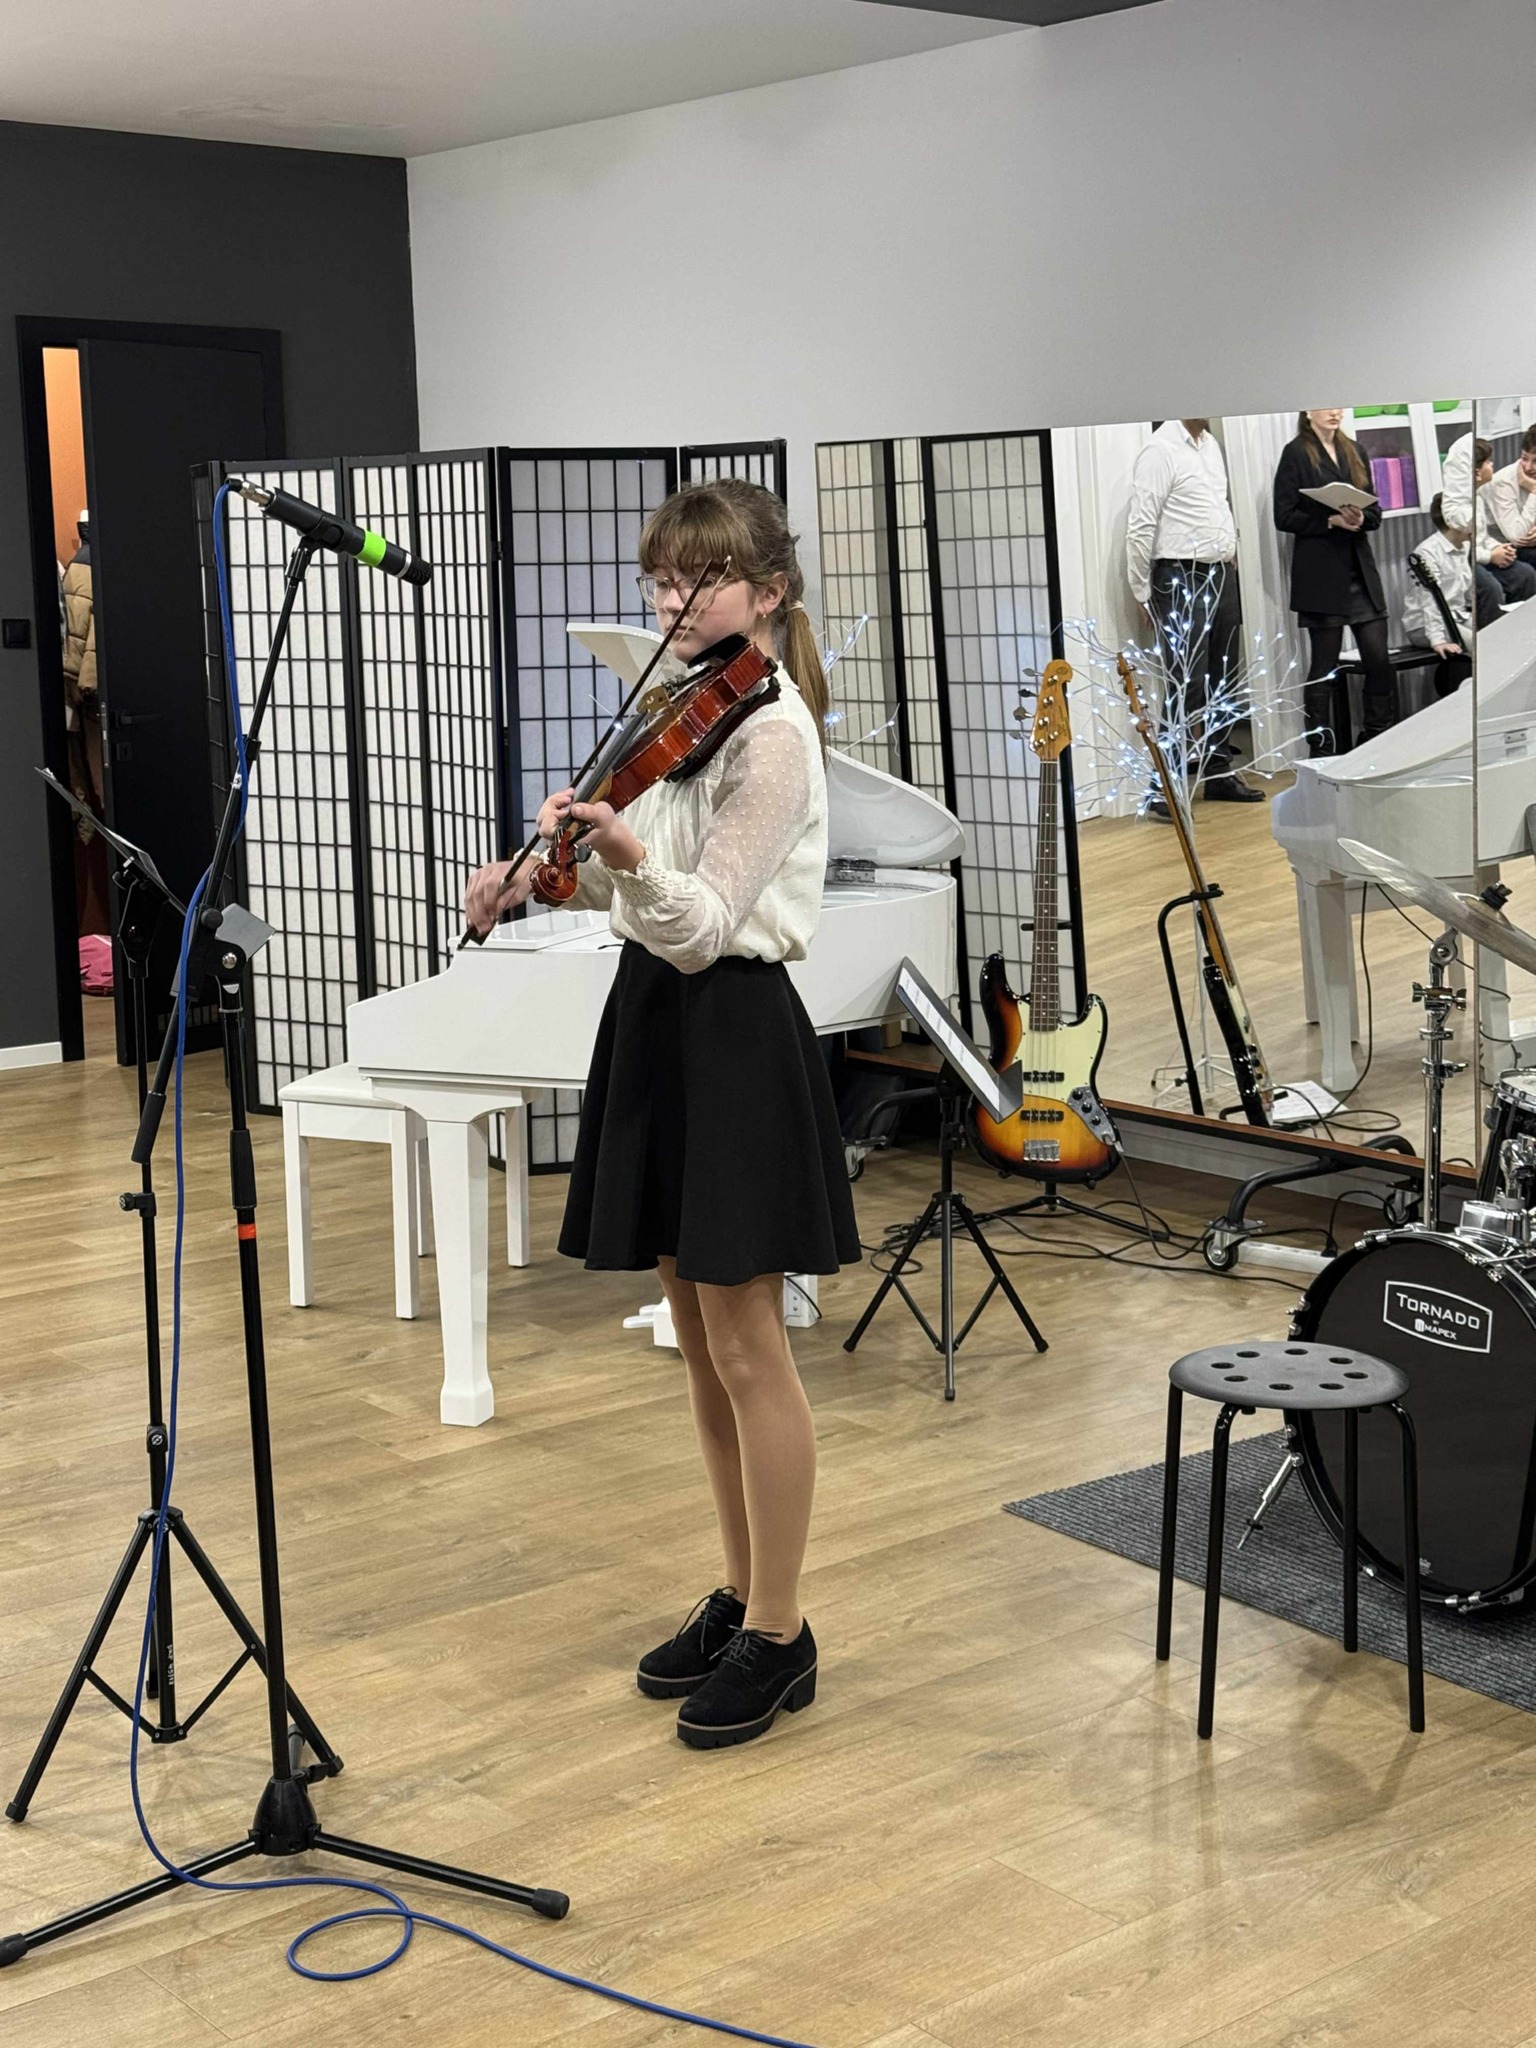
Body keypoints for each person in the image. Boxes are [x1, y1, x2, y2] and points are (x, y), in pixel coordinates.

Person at [464, 479, 859, 1751]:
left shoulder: (774, 734)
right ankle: (740, 1592)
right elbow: (628, 903)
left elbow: (704, 921)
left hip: (731, 1029)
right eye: (661, 577)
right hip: (657, 1022)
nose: (672, 598)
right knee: (696, 1337)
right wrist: (540, 875)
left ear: (769, 590)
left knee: (748, 1346)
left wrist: (629, 856)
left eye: (701, 577)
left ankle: (783, 1631)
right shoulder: (680, 709)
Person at [1125, 418, 1261, 803]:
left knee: (1224, 677)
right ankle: (1163, 788)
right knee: (1187, 682)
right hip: (1180, 575)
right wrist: (1141, 590)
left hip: (1221, 571)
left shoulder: (1210, 445)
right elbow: (1141, 523)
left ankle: (1219, 772)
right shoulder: (1160, 449)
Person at [1273, 409, 1396, 754]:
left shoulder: (1355, 450)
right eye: (1326, 406)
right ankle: (1321, 750)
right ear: (1308, 412)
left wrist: (1359, 518)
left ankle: (1375, 738)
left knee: (1379, 660)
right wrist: (1330, 521)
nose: (1334, 412)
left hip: (1359, 569)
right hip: (1322, 574)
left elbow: (1375, 513)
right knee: (1324, 666)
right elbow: (1283, 516)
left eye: (1338, 406)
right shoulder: (1296, 452)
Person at [1404, 493, 1472, 696]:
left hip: (1457, 616)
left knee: (1496, 634)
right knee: (1480, 645)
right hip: (1424, 624)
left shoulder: (1466, 545)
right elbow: (1430, 601)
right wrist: (1437, 639)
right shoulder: (1427, 552)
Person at [1482, 424, 1536, 574]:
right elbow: (1517, 537)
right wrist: (1534, 491)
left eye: (1535, 461)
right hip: (1498, 547)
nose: (1528, 467)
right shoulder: (1503, 482)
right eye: (1524, 458)